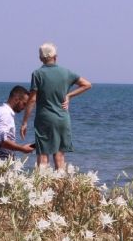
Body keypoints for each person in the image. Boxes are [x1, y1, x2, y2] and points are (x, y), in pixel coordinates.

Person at [20, 42, 92, 170]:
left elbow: (32, 100)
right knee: (59, 157)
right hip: (62, 118)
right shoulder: (66, 73)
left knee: (43, 156)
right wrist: (69, 96)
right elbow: (87, 84)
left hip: (44, 119)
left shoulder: (37, 74)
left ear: (40, 58)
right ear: (56, 57)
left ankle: (43, 189)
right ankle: (59, 189)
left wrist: (25, 122)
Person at [0, 85, 34, 198]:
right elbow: (2, 140)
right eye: (24, 103)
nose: (24, 108)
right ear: (16, 99)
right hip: (2, 163)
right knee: (5, 200)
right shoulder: (5, 115)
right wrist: (22, 148)